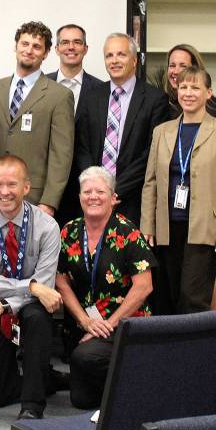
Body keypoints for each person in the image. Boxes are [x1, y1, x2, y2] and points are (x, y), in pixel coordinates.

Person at [0, 155, 63, 419]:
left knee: (38, 318)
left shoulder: (47, 227)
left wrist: (5, 304)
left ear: (26, 187)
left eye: (12, 185)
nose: (5, 192)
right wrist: (33, 287)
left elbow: (46, 286)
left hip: (28, 307)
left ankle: (32, 407)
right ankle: (43, 378)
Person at [141, 65, 216, 314]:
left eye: (195, 87)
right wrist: (147, 225)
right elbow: (151, 181)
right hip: (167, 226)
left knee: (193, 297)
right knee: (168, 294)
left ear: (209, 93)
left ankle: (195, 352)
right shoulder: (162, 131)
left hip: (204, 227)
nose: (188, 93)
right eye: (183, 87)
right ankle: (170, 352)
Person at [56, 166, 156, 409]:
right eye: (87, 191)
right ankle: (121, 390)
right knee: (81, 400)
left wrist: (107, 326)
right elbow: (60, 280)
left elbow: (144, 287)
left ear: (113, 198)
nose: (93, 197)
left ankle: (140, 381)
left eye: (100, 191)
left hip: (124, 322)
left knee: (84, 356)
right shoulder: (68, 231)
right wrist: (85, 320)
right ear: (79, 197)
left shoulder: (127, 232)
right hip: (86, 323)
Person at [160, 43, 216, 309]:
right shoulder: (161, 115)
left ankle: (212, 342)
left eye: (183, 66)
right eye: (172, 65)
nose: (177, 71)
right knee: (173, 288)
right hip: (171, 218)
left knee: (199, 288)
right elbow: (154, 177)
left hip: (204, 217)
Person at [74, 33, 166, 226]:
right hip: (92, 202)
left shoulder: (154, 99)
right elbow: (82, 146)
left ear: (134, 60)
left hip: (132, 200)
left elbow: (150, 154)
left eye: (121, 55)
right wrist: (95, 189)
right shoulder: (92, 96)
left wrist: (114, 191)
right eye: (109, 55)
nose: (114, 61)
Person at [0, 22, 75, 218]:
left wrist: (49, 202)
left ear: (46, 53)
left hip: (34, 199)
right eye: (24, 44)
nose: (29, 50)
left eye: (36, 46)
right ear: (15, 46)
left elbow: (62, 154)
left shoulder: (60, 95)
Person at [46, 23, 104, 226]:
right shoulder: (41, 87)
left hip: (86, 188)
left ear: (85, 49)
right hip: (48, 187)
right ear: (56, 49)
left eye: (77, 42)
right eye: (65, 42)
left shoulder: (101, 90)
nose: (71, 47)